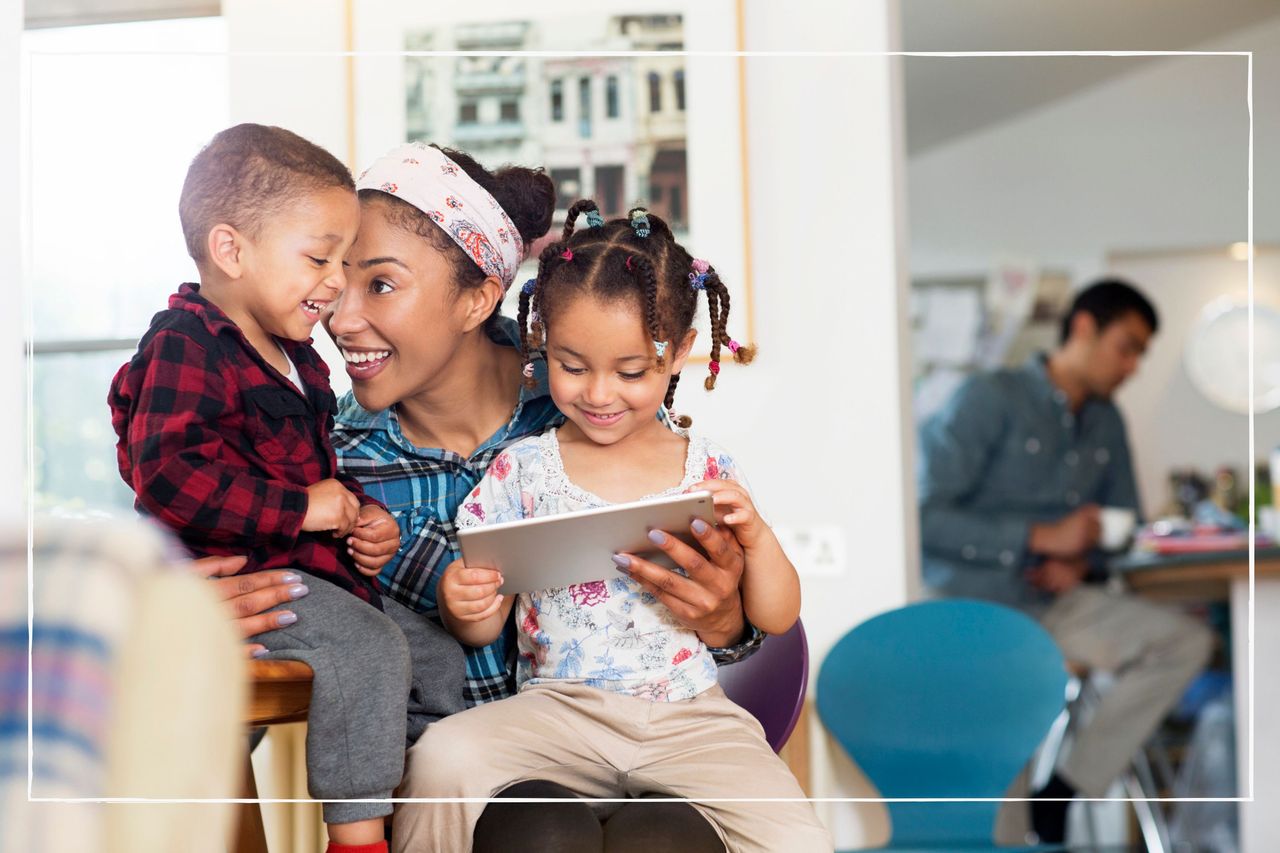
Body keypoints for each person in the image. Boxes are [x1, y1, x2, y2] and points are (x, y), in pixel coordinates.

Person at [327, 143, 768, 852]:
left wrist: (727, 615)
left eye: (379, 284)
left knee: (665, 837)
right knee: (544, 832)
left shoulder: (597, 407)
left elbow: (725, 614)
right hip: (482, 785)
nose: (339, 318)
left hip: (652, 753)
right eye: (331, 280)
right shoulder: (330, 467)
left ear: (477, 297)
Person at [391, 200, 831, 853]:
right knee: (440, 759)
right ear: (543, 346)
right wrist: (466, 600)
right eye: (572, 366)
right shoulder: (523, 472)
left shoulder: (706, 467)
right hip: (558, 712)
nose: (599, 393)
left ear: (679, 352)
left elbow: (775, 612)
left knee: (801, 839)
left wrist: (760, 539)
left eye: (630, 372)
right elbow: (482, 620)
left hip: (690, 715)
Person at [107, 123, 464, 853]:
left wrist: (360, 519)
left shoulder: (300, 359)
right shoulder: (186, 341)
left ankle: (414, 816)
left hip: (313, 575)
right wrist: (302, 508)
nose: (336, 282)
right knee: (365, 648)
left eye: (345, 260)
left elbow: (313, 468)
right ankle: (357, 839)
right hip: (242, 580)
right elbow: (168, 471)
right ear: (232, 250)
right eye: (320, 257)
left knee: (435, 656)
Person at [917, 278, 1213, 844]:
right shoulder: (989, 397)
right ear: (1083, 328)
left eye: (1141, 354)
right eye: (1127, 346)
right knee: (1006, 753)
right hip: (984, 608)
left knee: (1183, 642)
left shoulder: (1106, 421)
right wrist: (1037, 536)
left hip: (1063, 600)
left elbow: (1126, 526)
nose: (1133, 366)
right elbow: (925, 519)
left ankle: (1067, 789)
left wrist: (1083, 564)